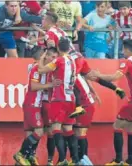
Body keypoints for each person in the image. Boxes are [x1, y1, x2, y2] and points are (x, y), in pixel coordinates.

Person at [41, 12, 126, 118]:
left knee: (71, 80)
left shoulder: (49, 33)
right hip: (78, 56)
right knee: (91, 76)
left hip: (70, 59)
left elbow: (52, 49)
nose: (42, 22)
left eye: (43, 20)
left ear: (48, 22)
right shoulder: (61, 31)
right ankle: (116, 89)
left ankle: (79, 107)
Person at [93, 39, 132, 165]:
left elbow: (115, 77)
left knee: (117, 126)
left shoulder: (128, 61)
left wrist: (99, 75)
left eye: (123, 49)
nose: (122, 52)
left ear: (125, 49)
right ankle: (129, 160)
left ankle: (118, 160)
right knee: (131, 129)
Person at [13, 47, 61, 165]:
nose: (55, 60)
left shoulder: (48, 70)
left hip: (37, 104)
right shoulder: (35, 68)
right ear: (46, 56)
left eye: (56, 57)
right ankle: (21, 154)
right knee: (39, 131)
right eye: (53, 57)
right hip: (32, 104)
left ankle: (25, 158)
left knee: (31, 134)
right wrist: (51, 85)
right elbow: (34, 86)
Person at [38, 37, 78, 165]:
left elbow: (41, 70)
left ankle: (62, 159)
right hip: (71, 98)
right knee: (68, 128)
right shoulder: (72, 60)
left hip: (59, 98)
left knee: (56, 128)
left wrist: (42, 57)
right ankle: (75, 159)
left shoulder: (59, 60)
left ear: (59, 48)